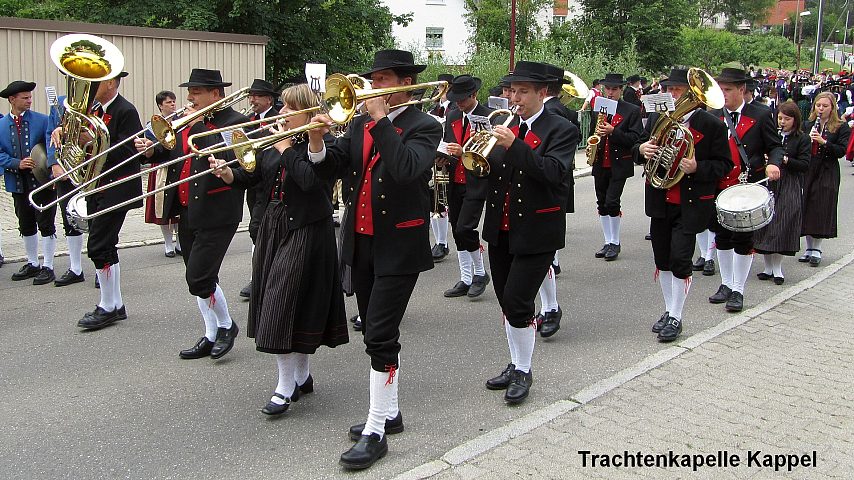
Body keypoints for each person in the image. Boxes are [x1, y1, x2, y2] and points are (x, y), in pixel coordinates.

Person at [306, 49, 442, 470]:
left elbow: (405, 170)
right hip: (361, 242)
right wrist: (316, 142)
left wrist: (383, 120)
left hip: (400, 245)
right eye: (374, 79)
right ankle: (390, 412)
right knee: (373, 330)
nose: (373, 87)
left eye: (382, 80)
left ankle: (376, 432)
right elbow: (334, 168)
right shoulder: (360, 123)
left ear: (404, 83)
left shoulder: (425, 126)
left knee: (380, 335)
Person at [210, 83, 348, 415]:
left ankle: (284, 387)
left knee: (281, 303)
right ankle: (301, 376)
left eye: (288, 108)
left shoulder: (328, 143)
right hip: (274, 227)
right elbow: (254, 177)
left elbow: (312, 183)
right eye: (282, 107)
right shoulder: (275, 140)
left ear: (307, 111)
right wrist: (228, 173)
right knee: (287, 304)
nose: (282, 113)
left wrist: (287, 147)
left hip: (307, 229)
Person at [480, 61, 577, 403]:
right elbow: (494, 176)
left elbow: (553, 173)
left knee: (519, 301)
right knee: (507, 301)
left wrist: (514, 146)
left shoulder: (560, 129)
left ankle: (524, 368)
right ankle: (515, 362)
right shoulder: (506, 125)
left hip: (538, 228)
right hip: (502, 227)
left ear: (543, 93)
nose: (515, 98)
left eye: (523, 91)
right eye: (512, 90)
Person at [137, 68, 249, 356]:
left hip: (218, 209)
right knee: (199, 275)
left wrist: (197, 125)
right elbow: (173, 151)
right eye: (190, 92)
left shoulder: (236, 122)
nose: (189, 98)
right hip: (187, 209)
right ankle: (211, 332)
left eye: (196, 92)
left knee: (199, 277)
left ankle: (226, 325)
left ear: (215, 94)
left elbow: (233, 158)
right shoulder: (187, 121)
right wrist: (151, 150)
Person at [637, 68, 732, 343]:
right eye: (670, 90)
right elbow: (637, 147)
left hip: (690, 204)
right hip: (660, 199)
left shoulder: (710, 124)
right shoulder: (657, 117)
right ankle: (668, 310)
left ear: (691, 94)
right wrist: (642, 150)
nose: (673, 95)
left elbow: (724, 164)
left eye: (678, 90)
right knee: (662, 259)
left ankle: (676, 316)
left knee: (680, 259)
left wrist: (696, 167)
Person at [707, 68, 783, 313]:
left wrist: (773, 163)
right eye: (720, 89)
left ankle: (738, 289)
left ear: (742, 90)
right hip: (719, 185)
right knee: (722, 237)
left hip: (747, 187)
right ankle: (726, 284)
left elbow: (776, 147)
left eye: (727, 89)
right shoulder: (713, 114)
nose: (723, 94)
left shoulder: (761, 115)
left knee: (742, 239)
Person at [74, 71, 144, 329]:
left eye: (97, 82)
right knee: (105, 245)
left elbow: (128, 152)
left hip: (117, 186)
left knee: (98, 245)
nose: (91, 87)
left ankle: (108, 306)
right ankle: (115, 304)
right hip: (96, 184)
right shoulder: (94, 109)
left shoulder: (126, 110)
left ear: (112, 83)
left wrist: (92, 143)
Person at [0, 81, 57, 285]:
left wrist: (53, 174)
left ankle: (48, 265)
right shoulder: (1, 125)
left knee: (46, 224)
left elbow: (53, 148)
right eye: (25, 98)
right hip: (17, 182)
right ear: (12, 99)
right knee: (25, 223)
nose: (29, 100)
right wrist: (17, 163)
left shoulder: (42, 121)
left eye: (30, 97)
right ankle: (32, 262)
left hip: (42, 181)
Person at [440, 74, 492, 299]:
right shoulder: (452, 115)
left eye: (462, 98)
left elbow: (492, 151)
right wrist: (442, 156)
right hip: (455, 181)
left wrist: (464, 152)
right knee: (456, 229)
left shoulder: (488, 116)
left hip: (476, 181)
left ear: (474, 95)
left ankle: (480, 273)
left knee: (465, 228)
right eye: (455, 98)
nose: (458, 103)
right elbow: (448, 145)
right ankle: (466, 277)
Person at [754, 101, 810, 284]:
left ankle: (777, 269)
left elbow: (804, 165)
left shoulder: (802, 138)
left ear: (795, 120)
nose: (782, 122)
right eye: (780, 118)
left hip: (789, 183)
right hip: (769, 183)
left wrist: (785, 160)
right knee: (766, 225)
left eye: (787, 119)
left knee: (781, 224)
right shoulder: (773, 135)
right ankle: (767, 267)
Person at [589, 73, 643, 262]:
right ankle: (607, 241)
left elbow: (635, 138)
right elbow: (592, 133)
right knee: (602, 202)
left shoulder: (631, 110)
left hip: (619, 163)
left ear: (621, 90)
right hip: (600, 162)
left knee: (612, 201)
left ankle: (615, 242)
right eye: (608, 89)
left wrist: (614, 131)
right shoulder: (599, 108)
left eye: (614, 89)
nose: (610, 93)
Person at [239, 78, 280, 300]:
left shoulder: (279, 117)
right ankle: (259, 274)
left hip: (272, 179)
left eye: (257, 96)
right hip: (254, 180)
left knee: (265, 228)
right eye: (251, 96)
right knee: (256, 229)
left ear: (268, 99)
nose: (252, 100)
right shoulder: (247, 121)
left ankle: (262, 276)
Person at [800, 91, 851, 266]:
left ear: (832, 108)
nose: (821, 109)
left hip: (827, 169)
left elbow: (841, 151)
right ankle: (808, 247)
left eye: (825, 106)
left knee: (821, 206)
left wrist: (824, 142)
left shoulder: (840, 126)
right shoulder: (807, 124)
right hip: (809, 168)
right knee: (807, 204)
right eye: (818, 105)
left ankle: (817, 248)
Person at [45, 92, 86, 287]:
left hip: (89, 166)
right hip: (65, 167)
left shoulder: (95, 101)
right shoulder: (60, 102)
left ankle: (102, 267)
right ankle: (76, 267)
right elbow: (49, 133)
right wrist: (54, 163)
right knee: (69, 216)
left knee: (97, 219)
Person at [143, 90, 181, 258]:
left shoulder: (180, 121)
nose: (173, 104)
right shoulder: (152, 125)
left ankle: (180, 242)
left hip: (178, 166)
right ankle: (168, 244)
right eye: (168, 102)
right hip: (161, 168)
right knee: (162, 208)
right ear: (160, 105)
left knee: (180, 206)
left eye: (173, 101)